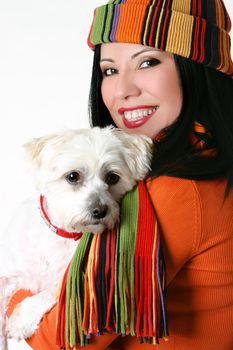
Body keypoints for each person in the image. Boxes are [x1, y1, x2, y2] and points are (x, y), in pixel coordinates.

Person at [8, 0, 233, 349]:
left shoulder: (178, 187)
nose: (123, 90)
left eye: (147, 62)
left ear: (195, 69)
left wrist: (12, 298)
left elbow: (66, 337)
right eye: (110, 70)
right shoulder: (206, 158)